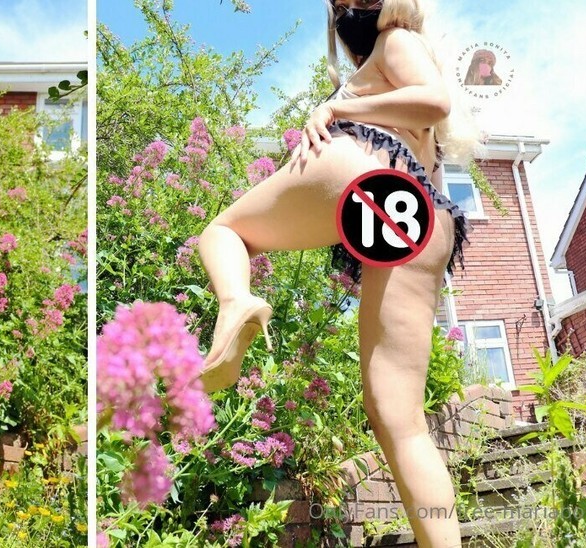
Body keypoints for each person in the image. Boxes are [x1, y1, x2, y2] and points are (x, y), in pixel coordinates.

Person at [197, 0, 477, 546]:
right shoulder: (396, 57)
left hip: (369, 168)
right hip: (420, 215)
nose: (345, 12)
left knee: (224, 232)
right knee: (399, 421)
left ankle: (237, 301)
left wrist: (336, 108)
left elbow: (433, 101)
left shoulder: (396, 40)